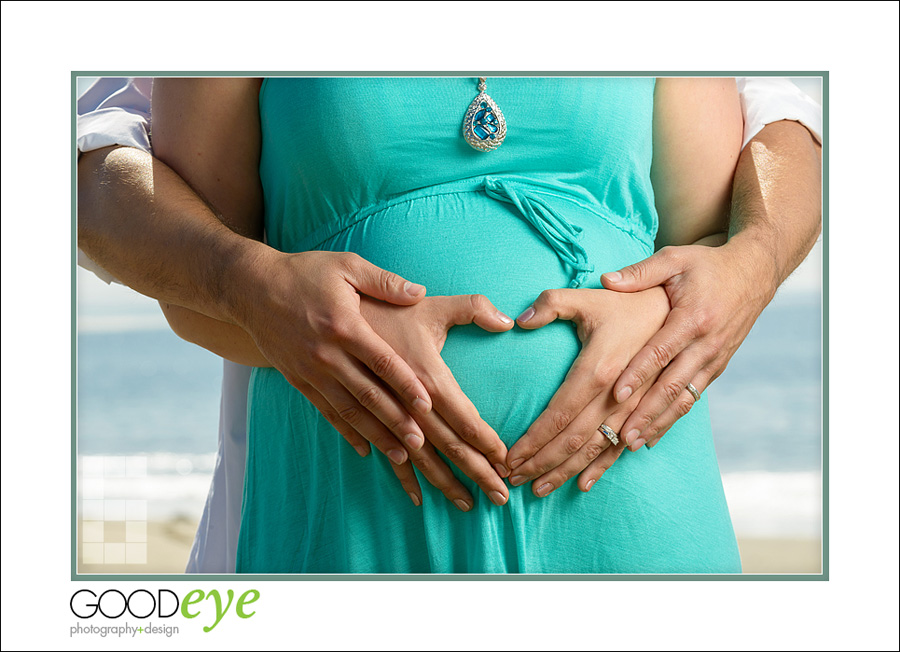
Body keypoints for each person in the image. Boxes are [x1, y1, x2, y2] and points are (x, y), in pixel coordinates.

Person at [77, 76, 822, 573]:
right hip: (359, 496)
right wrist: (258, 287)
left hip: (632, 495)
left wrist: (711, 289)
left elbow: (716, 234)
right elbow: (107, 179)